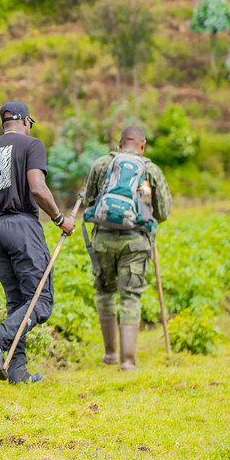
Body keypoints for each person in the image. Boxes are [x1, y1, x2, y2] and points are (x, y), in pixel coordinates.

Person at [0, 101, 75, 385]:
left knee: (17, 301)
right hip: (22, 225)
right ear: (25, 121)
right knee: (40, 300)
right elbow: (37, 187)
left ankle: (17, 371)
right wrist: (60, 218)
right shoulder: (31, 145)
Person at [82, 125, 172, 371]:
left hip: (102, 239)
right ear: (142, 146)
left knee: (105, 291)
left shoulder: (101, 164)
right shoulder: (151, 170)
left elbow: (89, 202)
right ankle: (128, 361)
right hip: (135, 242)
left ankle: (110, 354)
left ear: (120, 143)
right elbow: (163, 212)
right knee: (130, 296)